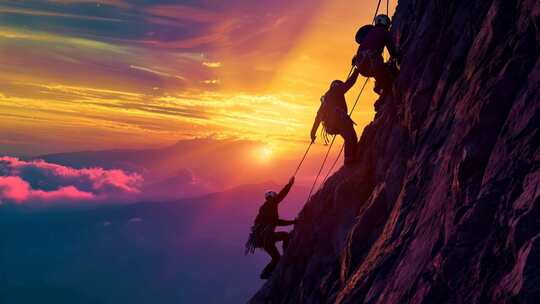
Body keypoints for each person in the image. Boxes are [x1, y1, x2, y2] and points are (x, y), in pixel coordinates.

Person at [245, 177, 296, 279]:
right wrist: (289, 185)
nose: (276, 200)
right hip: (268, 238)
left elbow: (275, 222)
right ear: (272, 197)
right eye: (275, 197)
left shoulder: (265, 209)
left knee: (276, 257)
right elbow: (281, 197)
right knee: (285, 237)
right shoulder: (271, 205)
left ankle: (265, 274)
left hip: (265, 239)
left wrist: (292, 222)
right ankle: (286, 256)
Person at [310, 68, 360, 166]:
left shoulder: (325, 99)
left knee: (349, 136)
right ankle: (349, 159)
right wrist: (357, 71)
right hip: (339, 121)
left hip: (330, 127)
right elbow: (349, 83)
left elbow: (317, 118)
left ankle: (350, 157)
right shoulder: (337, 90)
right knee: (351, 137)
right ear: (337, 85)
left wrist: (312, 133)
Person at [353, 14, 398, 95]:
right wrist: (398, 57)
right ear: (384, 22)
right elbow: (392, 50)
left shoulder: (369, 33)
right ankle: (383, 87)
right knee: (389, 75)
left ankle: (381, 87)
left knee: (381, 72)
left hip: (361, 66)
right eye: (388, 22)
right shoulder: (384, 31)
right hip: (373, 62)